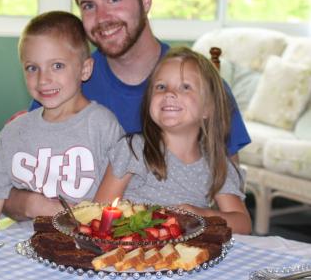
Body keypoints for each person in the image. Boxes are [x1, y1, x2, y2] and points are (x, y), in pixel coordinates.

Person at [5, 0, 250, 220]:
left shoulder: (202, 89)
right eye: (88, 6)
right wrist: (30, 205)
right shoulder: (67, 83)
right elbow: (7, 193)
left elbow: (230, 202)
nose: (102, 18)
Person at [0, 11, 124, 230]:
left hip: (81, 245)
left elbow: (123, 198)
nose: (43, 79)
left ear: (85, 69)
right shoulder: (15, 132)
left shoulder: (102, 126)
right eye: (32, 68)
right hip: (20, 245)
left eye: (57, 66)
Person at [94, 47, 252, 234]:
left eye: (185, 87)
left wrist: (200, 215)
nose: (169, 93)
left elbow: (243, 225)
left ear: (208, 108)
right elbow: (98, 213)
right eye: (161, 87)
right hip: (131, 251)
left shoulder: (215, 164)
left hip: (186, 258)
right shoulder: (134, 149)